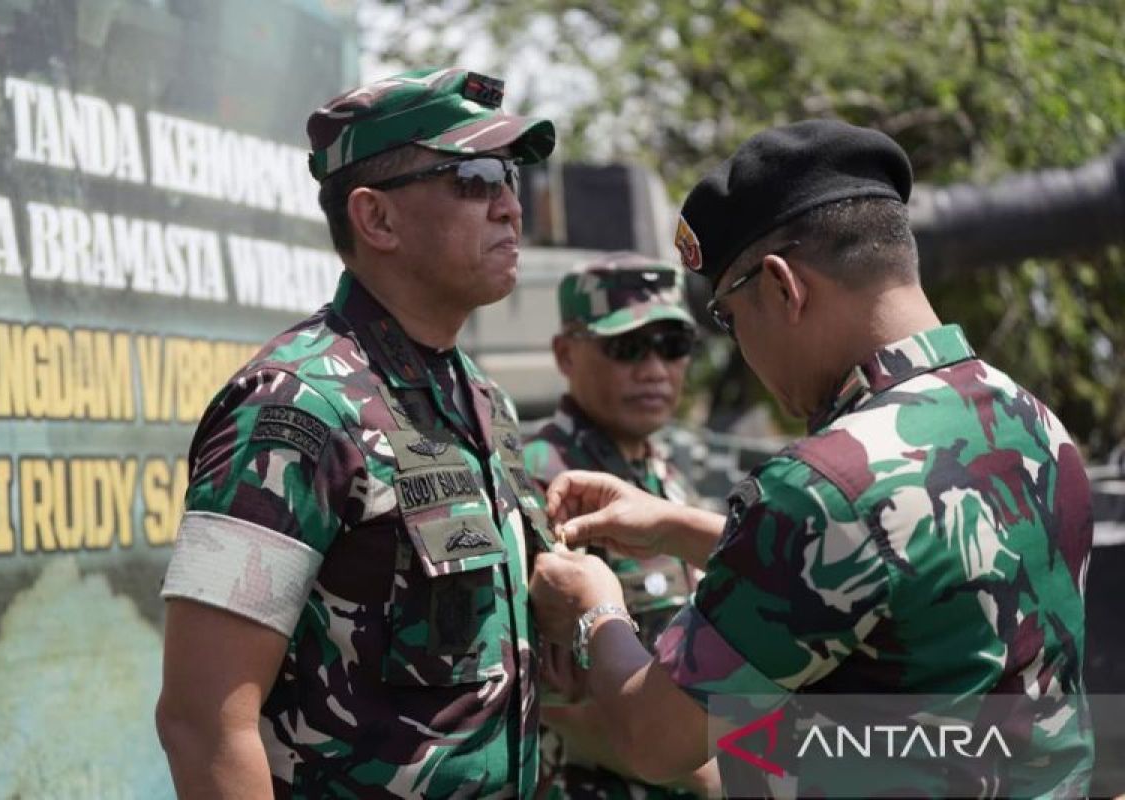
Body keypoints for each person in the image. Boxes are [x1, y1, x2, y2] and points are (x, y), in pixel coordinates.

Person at [529, 119, 1094, 796]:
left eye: (729, 319)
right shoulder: (1028, 419)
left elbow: (657, 739)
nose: (740, 348)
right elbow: (909, 575)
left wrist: (597, 608)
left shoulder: (828, 483)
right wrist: (678, 526)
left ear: (780, 287)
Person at [155, 67, 558, 799]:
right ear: (377, 220)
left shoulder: (483, 400)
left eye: (510, 176)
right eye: (472, 176)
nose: (508, 205)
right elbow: (203, 720)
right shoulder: (293, 407)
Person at [521, 253, 719, 798]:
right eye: (626, 347)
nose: (654, 369)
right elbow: (561, 702)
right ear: (565, 354)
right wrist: (720, 779)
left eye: (673, 346)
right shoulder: (543, 486)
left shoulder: (664, 474)